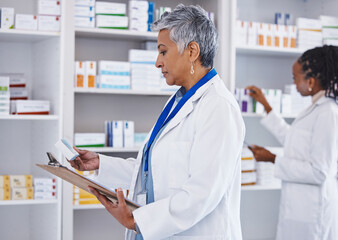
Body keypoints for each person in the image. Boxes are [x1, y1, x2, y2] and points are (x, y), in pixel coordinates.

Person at [69, 4, 245, 240]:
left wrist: (137, 220)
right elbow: (154, 170)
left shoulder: (218, 107)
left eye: (163, 52)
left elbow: (203, 193)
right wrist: (101, 163)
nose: (157, 62)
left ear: (192, 51)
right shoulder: (179, 100)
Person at [246, 45, 338, 240]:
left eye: (295, 78)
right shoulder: (315, 109)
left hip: (315, 214)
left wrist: (273, 159)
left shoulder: (327, 112)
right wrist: (266, 105)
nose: (294, 84)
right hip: (300, 209)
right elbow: (294, 141)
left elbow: (320, 172)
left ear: (311, 81)